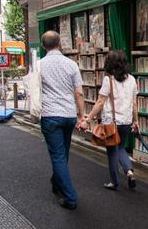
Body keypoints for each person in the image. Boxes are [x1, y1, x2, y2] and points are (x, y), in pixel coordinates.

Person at [40, 30, 88, 210]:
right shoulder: (71, 64)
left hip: (50, 114)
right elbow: (79, 93)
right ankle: (56, 182)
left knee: (58, 155)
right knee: (63, 154)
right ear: (60, 44)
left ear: (44, 46)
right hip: (68, 115)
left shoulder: (40, 65)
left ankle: (70, 198)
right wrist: (82, 116)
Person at [85, 50, 138, 190]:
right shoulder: (132, 79)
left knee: (112, 152)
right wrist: (136, 121)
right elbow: (134, 103)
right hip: (126, 121)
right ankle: (129, 172)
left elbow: (100, 102)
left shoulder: (108, 79)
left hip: (111, 122)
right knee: (121, 148)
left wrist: (88, 118)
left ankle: (114, 182)